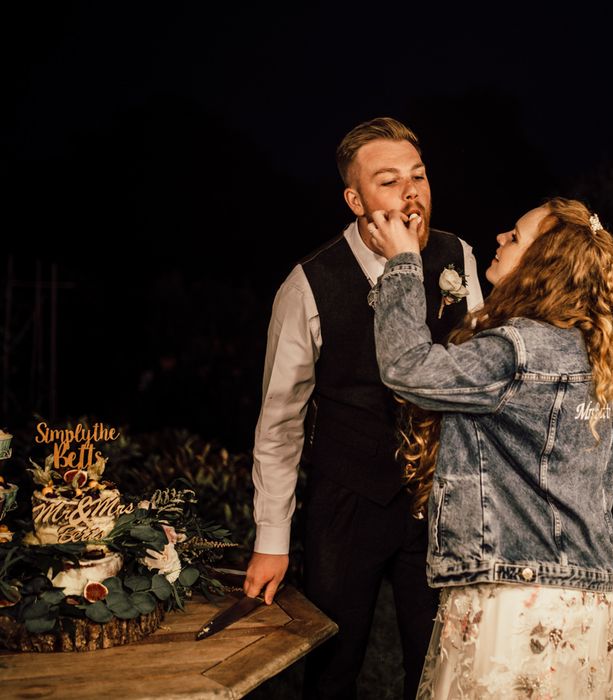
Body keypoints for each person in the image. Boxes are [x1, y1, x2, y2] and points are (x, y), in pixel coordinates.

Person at [243, 117, 484, 699]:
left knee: (439, 661)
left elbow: (480, 378)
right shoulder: (308, 284)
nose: (412, 192)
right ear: (354, 199)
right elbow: (280, 423)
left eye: (419, 176)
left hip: (440, 499)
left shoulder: (457, 255)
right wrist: (272, 538)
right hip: (347, 501)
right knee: (333, 662)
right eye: (388, 181)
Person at [368, 197, 613, 698]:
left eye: (515, 237)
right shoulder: (595, 353)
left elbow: (406, 369)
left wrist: (403, 262)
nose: (500, 238)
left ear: (543, 263)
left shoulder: (515, 351)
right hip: (590, 596)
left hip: (517, 598)